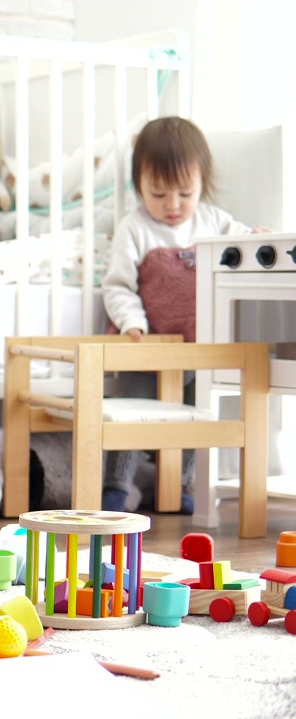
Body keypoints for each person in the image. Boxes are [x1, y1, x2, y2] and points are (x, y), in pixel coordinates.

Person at [100, 116, 270, 513]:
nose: (172, 205)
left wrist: (256, 240)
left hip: (199, 346)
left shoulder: (213, 220)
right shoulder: (135, 227)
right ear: (138, 184)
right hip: (148, 345)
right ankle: (117, 486)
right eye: (158, 193)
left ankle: (181, 482)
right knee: (131, 413)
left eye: (184, 193)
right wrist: (132, 322)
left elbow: (241, 244)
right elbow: (117, 285)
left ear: (202, 184)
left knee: (197, 415)